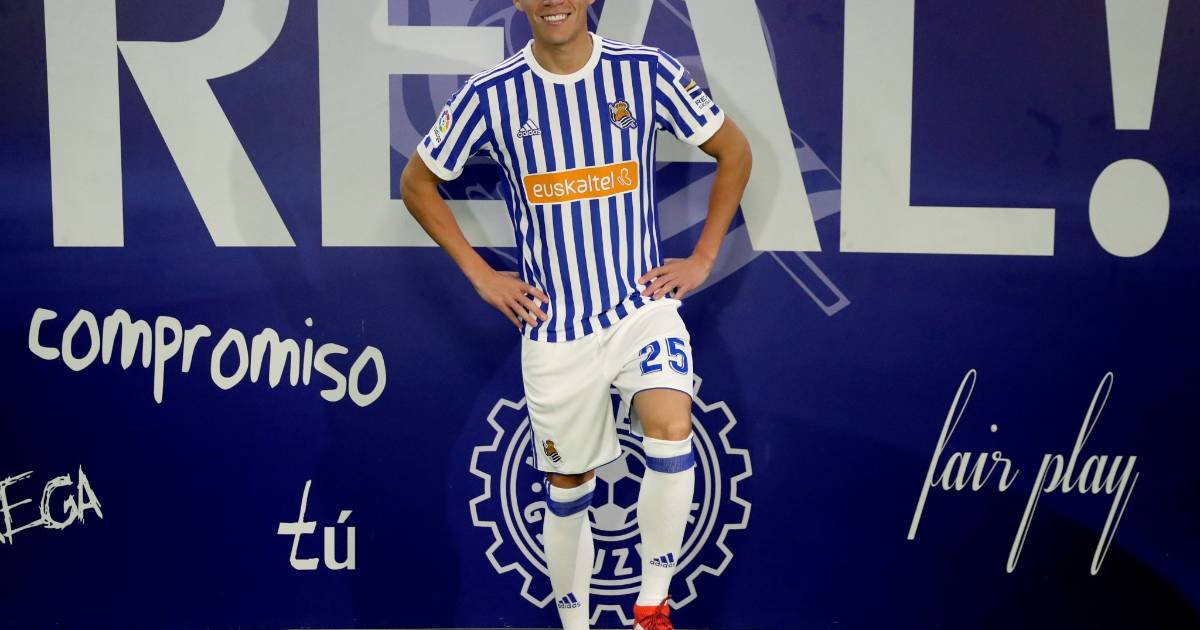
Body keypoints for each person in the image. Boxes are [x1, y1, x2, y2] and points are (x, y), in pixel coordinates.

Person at [400, 1, 751, 628]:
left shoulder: (645, 71)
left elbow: (735, 150)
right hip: (556, 329)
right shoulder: (490, 94)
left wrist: (703, 258)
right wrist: (481, 275)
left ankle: (652, 606)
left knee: (672, 429)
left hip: (640, 310)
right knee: (570, 488)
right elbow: (416, 183)